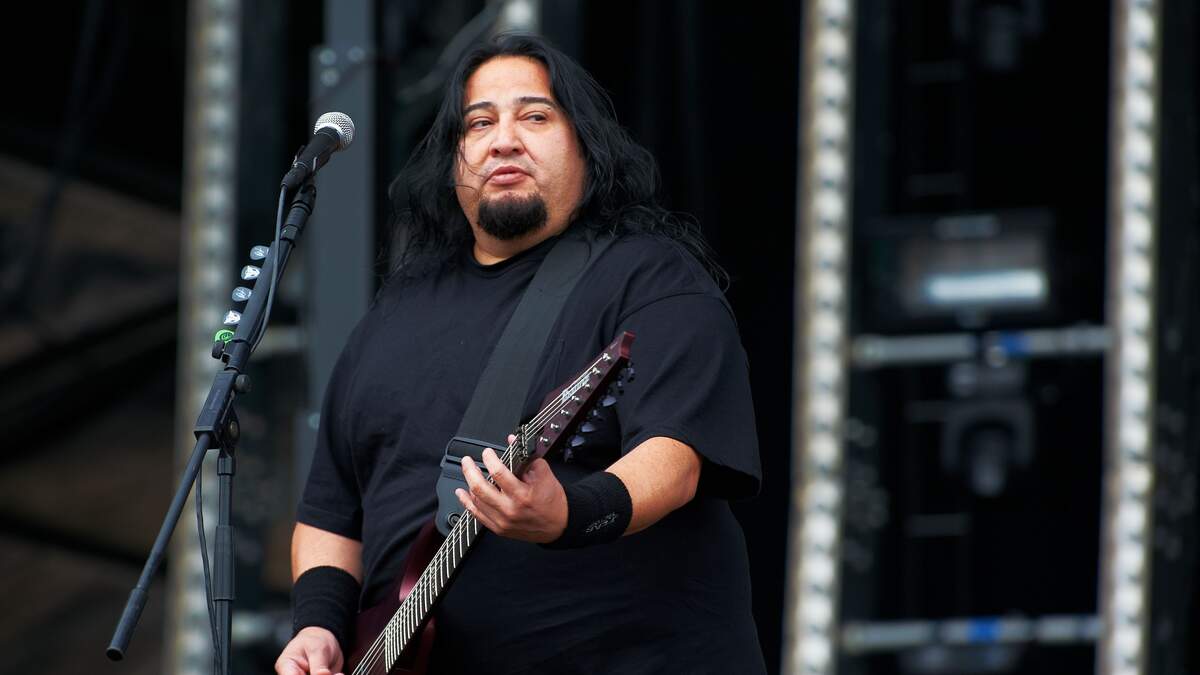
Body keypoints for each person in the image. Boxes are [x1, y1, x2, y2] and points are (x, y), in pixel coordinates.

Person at [275, 33, 764, 675]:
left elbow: (675, 460)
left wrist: (568, 515)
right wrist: (317, 626)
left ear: (586, 147)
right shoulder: (393, 314)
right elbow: (331, 513)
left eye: (535, 117)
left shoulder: (649, 278)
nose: (503, 140)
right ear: (454, 159)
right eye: (479, 123)